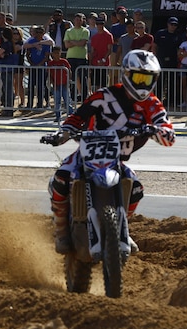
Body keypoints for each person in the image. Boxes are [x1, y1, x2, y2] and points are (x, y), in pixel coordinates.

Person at [42, 49, 175, 255]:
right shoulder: (105, 95)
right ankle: (60, 230)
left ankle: (123, 227)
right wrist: (63, 133)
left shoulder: (152, 104)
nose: (142, 84)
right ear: (126, 74)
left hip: (116, 161)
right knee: (61, 177)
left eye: (147, 79)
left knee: (137, 188)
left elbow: (168, 133)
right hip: (88, 153)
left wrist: (157, 131)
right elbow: (77, 117)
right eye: (138, 77)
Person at [24, 25, 53, 109]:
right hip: (33, 67)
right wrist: (31, 63)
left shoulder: (46, 43)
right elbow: (28, 54)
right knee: (31, 86)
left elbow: (47, 56)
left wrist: (40, 64)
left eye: (41, 32)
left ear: (44, 33)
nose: (39, 34)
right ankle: (29, 104)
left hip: (42, 67)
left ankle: (40, 104)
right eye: (37, 32)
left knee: (41, 86)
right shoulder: (31, 41)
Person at [64, 12, 89, 101]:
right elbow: (67, 45)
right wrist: (77, 42)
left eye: (80, 20)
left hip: (81, 57)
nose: (78, 21)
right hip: (71, 57)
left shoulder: (85, 31)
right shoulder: (69, 31)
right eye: (76, 19)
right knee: (72, 78)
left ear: (82, 21)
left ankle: (84, 97)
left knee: (83, 78)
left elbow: (82, 43)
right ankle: (73, 96)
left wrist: (73, 42)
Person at [88, 12, 114, 88]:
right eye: (98, 24)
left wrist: (104, 59)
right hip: (95, 63)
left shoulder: (108, 35)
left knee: (103, 85)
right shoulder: (94, 37)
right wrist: (90, 63)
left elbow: (109, 50)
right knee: (94, 85)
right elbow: (92, 51)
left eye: (101, 24)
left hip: (104, 64)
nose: (100, 26)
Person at [47, 46, 72, 123]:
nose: (57, 54)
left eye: (58, 53)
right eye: (55, 53)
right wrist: (52, 84)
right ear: (52, 54)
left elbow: (69, 71)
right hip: (56, 84)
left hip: (64, 84)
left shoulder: (64, 62)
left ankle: (71, 115)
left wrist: (69, 81)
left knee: (67, 101)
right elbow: (50, 75)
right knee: (57, 102)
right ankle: (58, 116)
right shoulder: (51, 64)